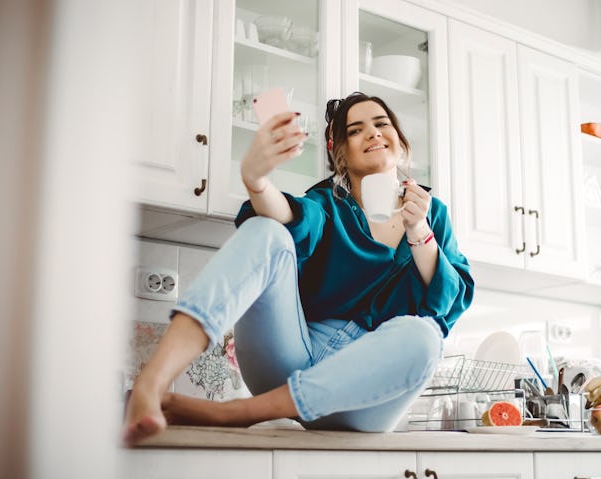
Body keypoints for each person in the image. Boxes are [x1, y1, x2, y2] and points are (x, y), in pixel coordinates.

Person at [123, 92, 474, 446]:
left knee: (425, 335)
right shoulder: (327, 203)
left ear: (399, 141)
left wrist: (419, 232)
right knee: (265, 229)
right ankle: (149, 386)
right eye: (356, 130)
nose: (373, 133)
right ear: (339, 152)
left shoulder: (433, 213)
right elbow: (292, 219)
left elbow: (450, 303)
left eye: (382, 124)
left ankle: (236, 413)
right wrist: (256, 181)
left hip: (363, 390)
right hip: (290, 357)